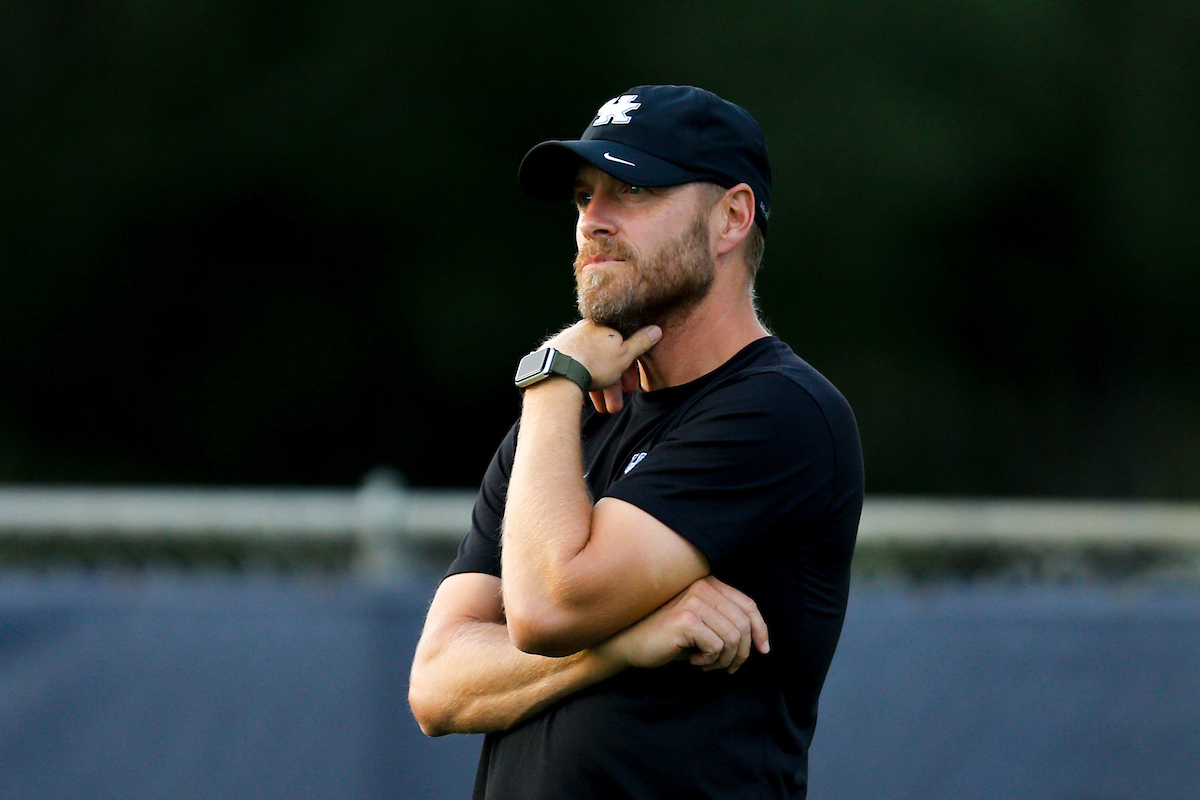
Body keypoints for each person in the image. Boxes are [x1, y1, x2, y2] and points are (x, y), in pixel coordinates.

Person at [409, 84, 864, 800]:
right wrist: (621, 645)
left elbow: (549, 606)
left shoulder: (782, 412)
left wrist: (554, 377)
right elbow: (438, 686)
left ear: (732, 218)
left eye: (631, 188)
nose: (593, 221)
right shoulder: (559, 423)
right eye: (585, 196)